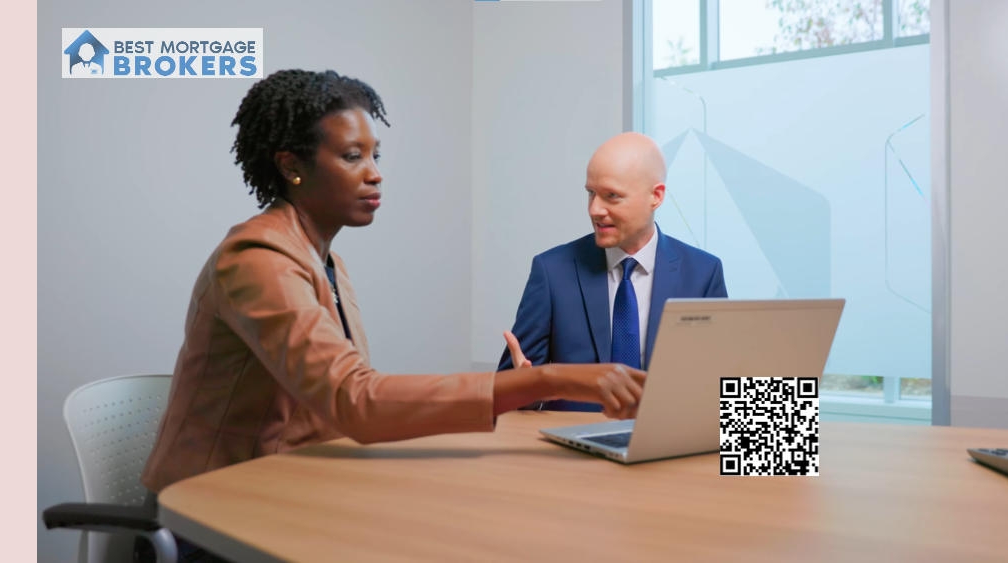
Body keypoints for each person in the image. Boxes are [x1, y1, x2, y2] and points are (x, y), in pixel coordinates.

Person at [142, 69, 648, 495]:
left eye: (375, 156)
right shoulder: (258, 259)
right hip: (212, 509)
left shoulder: (327, 262)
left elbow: (343, 407)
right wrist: (548, 380)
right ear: (292, 166)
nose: (374, 174)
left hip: (295, 487)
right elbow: (356, 400)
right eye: (352, 156)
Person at [498, 132, 728, 411]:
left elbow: (717, 384)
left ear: (656, 196)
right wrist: (522, 389)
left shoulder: (703, 273)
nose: (595, 209)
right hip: (571, 438)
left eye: (612, 196)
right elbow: (507, 393)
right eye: (591, 193)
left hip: (664, 436)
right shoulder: (552, 271)